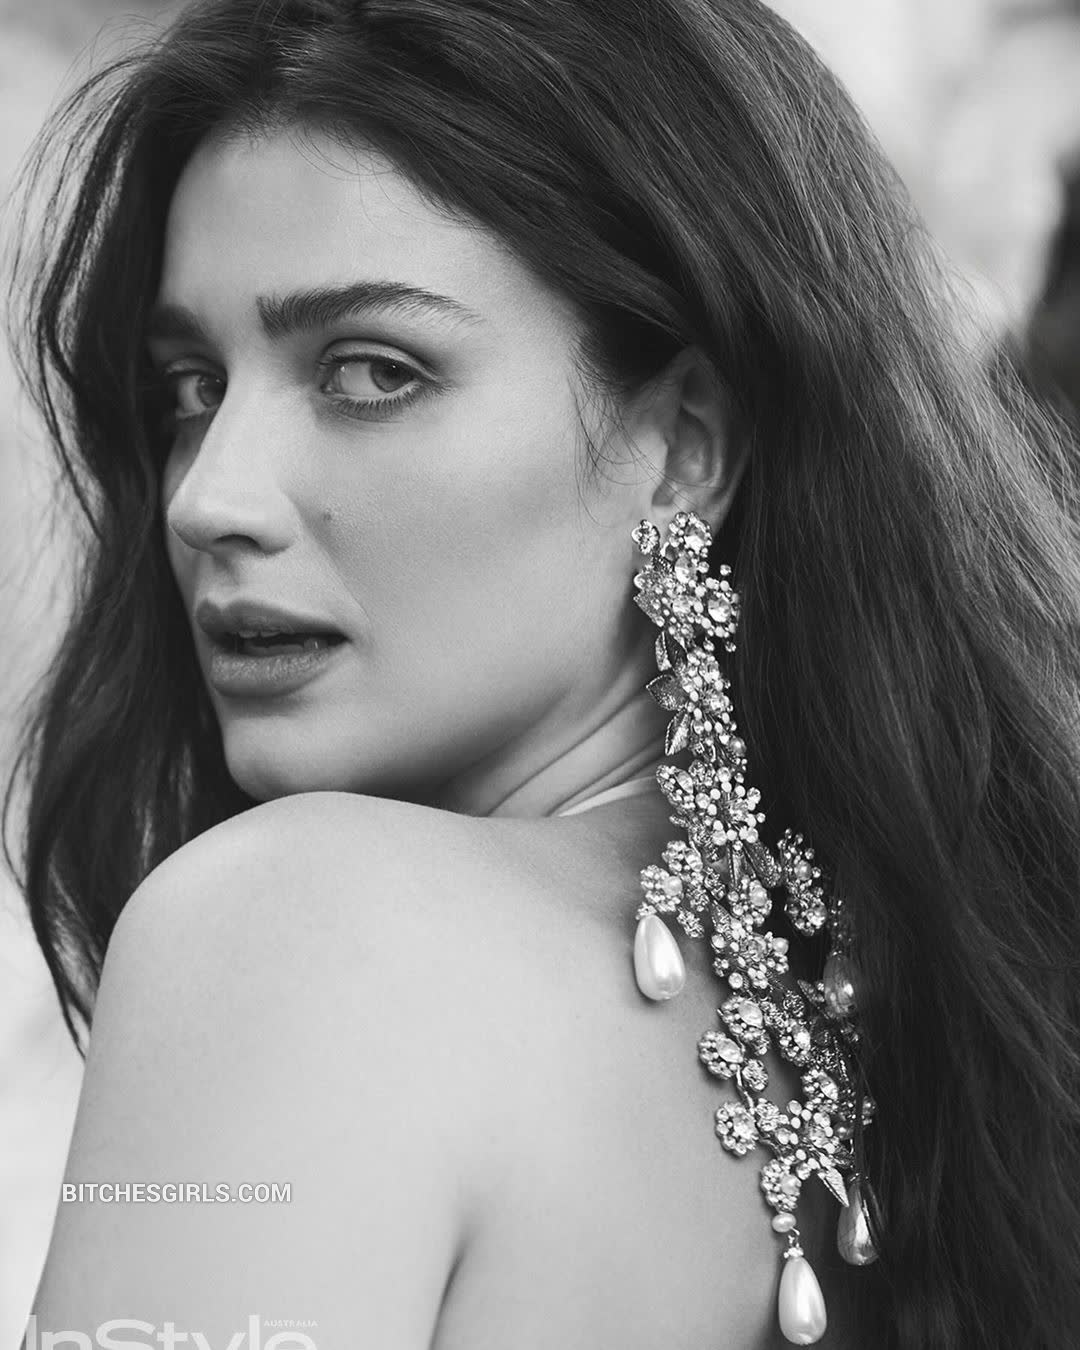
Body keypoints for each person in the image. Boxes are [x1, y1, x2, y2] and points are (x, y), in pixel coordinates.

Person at [5, 1, 1080, 1346]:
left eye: (370, 372)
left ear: (683, 444)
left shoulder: (292, 930)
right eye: (189, 389)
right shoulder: (902, 1020)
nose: (207, 496)